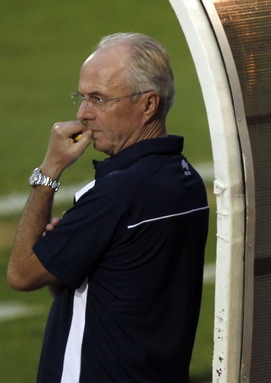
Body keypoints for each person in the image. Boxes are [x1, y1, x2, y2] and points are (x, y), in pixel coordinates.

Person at [7, 32, 209, 382]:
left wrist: (49, 171)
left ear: (149, 104)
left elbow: (22, 274)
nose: (83, 114)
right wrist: (70, 257)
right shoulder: (186, 181)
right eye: (82, 97)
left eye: (99, 99)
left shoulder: (116, 194)